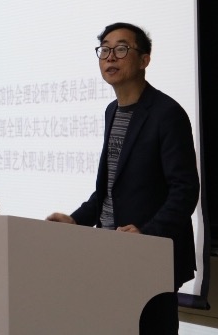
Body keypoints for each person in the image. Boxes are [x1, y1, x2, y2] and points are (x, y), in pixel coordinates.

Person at [47, 22, 199, 334]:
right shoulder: (112, 111)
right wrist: (75, 221)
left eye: (121, 49)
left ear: (144, 59)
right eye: (104, 50)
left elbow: (185, 190)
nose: (110, 57)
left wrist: (147, 234)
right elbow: (108, 190)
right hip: (109, 254)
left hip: (151, 259)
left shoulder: (166, 113)